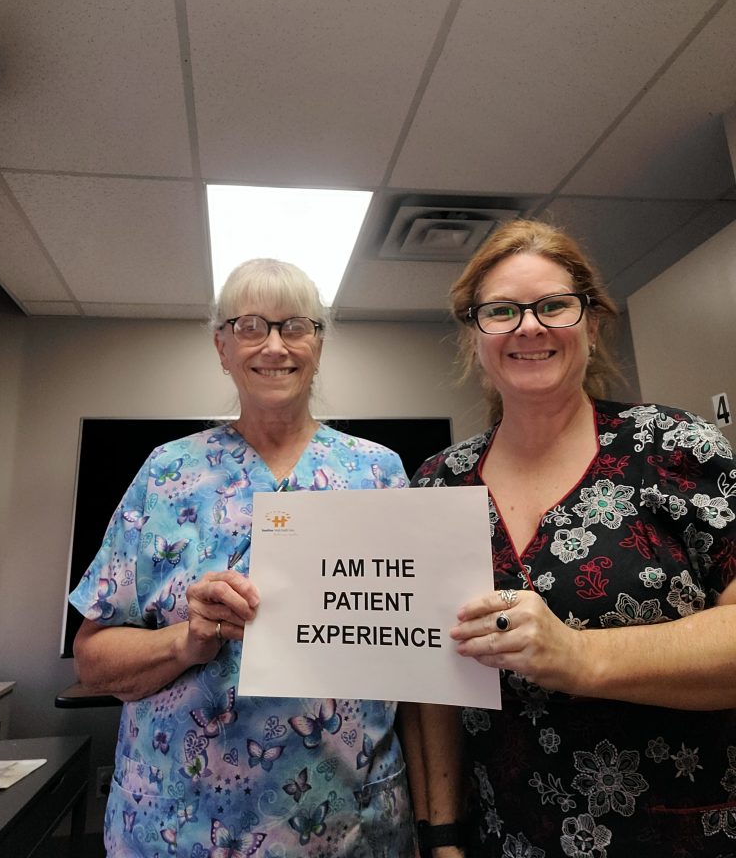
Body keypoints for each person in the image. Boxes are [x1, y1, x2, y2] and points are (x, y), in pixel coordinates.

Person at [409, 219, 736, 858]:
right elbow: (434, 676)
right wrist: (442, 833)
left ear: (589, 319)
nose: (528, 327)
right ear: (474, 334)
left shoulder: (675, 449)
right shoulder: (438, 482)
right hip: (505, 836)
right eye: (500, 311)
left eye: (554, 305)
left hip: (678, 830)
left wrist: (581, 656)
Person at [70, 258, 417, 858]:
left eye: (295, 326)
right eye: (251, 326)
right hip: (177, 827)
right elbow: (93, 659)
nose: (275, 346)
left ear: (319, 343)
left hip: (345, 825)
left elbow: (415, 647)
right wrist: (185, 641)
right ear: (222, 346)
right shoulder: (167, 473)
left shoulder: (377, 473)